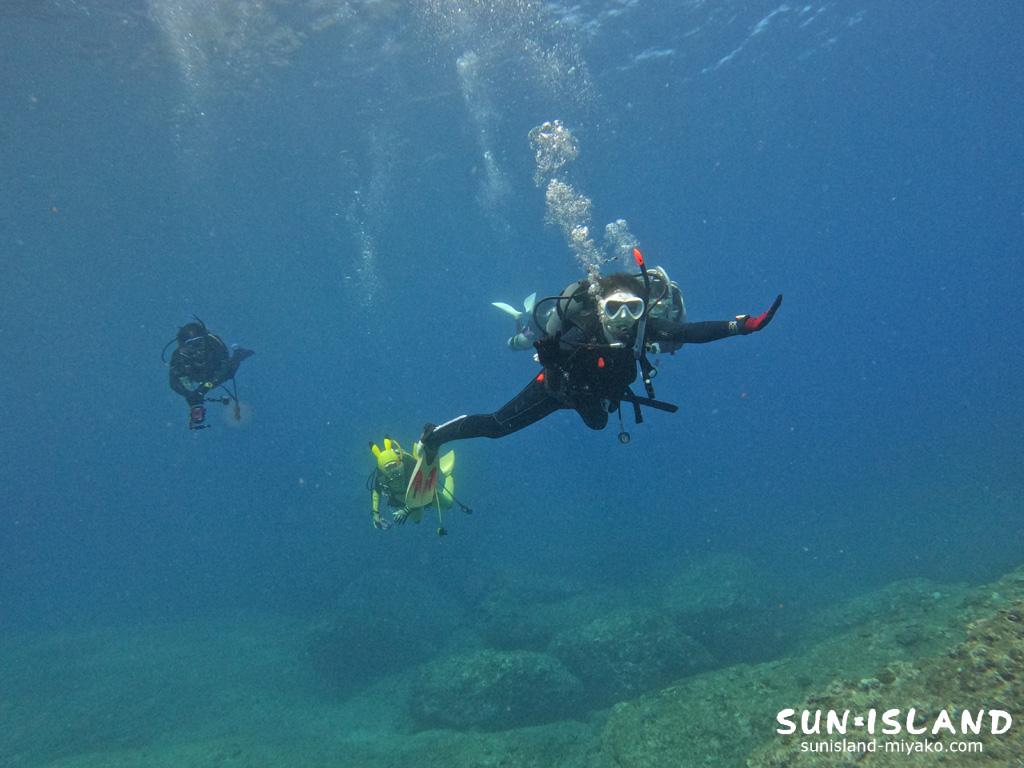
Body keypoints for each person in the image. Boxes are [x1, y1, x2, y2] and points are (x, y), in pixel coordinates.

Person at [406, 249, 781, 505]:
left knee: (600, 425)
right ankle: (433, 437)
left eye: (631, 309)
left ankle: (539, 357)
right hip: (558, 389)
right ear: (600, 308)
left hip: (595, 397)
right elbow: (554, 384)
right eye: (613, 309)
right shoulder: (581, 330)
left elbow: (692, 332)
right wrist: (552, 363)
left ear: (642, 309)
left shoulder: (644, 328)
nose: (622, 318)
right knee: (496, 426)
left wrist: (744, 325)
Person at [165, 318, 254, 430]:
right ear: (183, 347)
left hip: (213, 371)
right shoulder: (179, 357)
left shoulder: (213, 345)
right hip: (197, 375)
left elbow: (224, 368)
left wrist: (204, 388)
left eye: (199, 342)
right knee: (188, 383)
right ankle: (239, 353)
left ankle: (239, 354)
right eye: (191, 345)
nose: (197, 349)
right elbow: (174, 381)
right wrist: (189, 394)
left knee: (229, 372)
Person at [368, 437, 469, 535]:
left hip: (424, 494)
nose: (393, 470)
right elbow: (376, 491)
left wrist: (406, 510)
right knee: (417, 520)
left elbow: (422, 487)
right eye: (388, 468)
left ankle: (448, 475)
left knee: (448, 504)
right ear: (383, 469)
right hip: (403, 500)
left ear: (399, 462)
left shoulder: (410, 466)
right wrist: (375, 514)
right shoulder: (381, 476)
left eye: (394, 465)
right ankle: (414, 510)